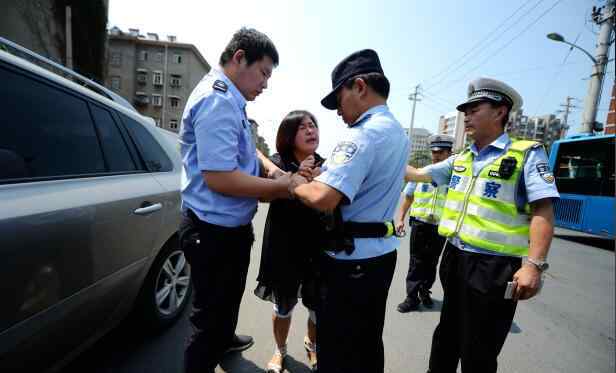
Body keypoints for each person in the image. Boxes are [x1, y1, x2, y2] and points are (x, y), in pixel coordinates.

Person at [405, 78, 559, 373]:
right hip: (454, 258)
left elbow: (543, 209)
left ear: (500, 112)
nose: (467, 115)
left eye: (474, 108)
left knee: (480, 349)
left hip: (494, 268)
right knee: (446, 338)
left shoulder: (525, 154)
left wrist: (533, 265)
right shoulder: (461, 159)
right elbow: (417, 175)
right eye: (466, 109)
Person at [289, 49, 409, 373]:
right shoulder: (397, 131)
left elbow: (324, 198)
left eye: (338, 99)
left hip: (350, 264)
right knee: (367, 343)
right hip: (380, 255)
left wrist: (291, 183)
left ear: (359, 87)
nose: (338, 112)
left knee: (338, 350)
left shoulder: (362, 135)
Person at [178, 28, 291, 373]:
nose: (266, 84)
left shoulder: (231, 100)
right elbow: (220, 178)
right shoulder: (218, 100)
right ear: (240, 57)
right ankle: (206, 354)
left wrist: (271, 169)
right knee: (207, 319)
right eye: (264, 73)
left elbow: (246, 149)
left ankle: (224, 339)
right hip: (212, 232)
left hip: (228, 228)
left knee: (226, 302)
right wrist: (280, 187)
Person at [254, 110, 323, 373]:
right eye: (302, 127)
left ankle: (311, 343)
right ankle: (280, 350)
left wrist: (317, 179)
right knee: (283, 305)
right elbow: (262, 196)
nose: (310, 130)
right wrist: (292, 179)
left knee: (317, 306)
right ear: (289, 134)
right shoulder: (277, 161)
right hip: (284, 246)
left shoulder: (326, 163)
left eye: (313, 125)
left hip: (318, 247)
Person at [395, 135, 453, 313]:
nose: (436, 156)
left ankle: (424, 291)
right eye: (434, 152)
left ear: (449, 153)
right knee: (416, 262)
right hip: (420, 224)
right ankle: (411, 297)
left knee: (432, 262)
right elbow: (409, 197)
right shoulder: (421, 173)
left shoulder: (454, 176)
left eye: (440, 152)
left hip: (440, 227)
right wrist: (400, 218)